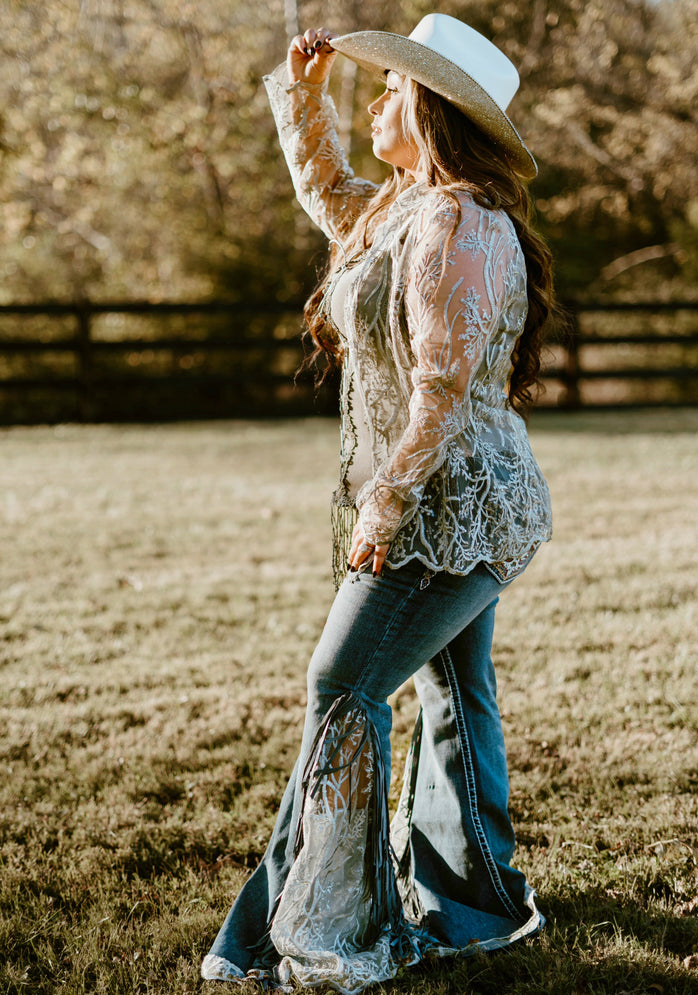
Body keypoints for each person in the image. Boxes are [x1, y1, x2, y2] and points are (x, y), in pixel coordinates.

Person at [202, 13, 555, 993]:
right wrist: (305, 95)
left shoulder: (459, 223)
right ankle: (479, 904)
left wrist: (382, 505)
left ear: (432, 110)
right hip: (447, 506)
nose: (378, 103)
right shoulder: (405, 209)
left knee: (341, 684)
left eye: (393, 89)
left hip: (451, 514)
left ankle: (302, 929)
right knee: (454, 694)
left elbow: (442, 386)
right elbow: (327, 194)